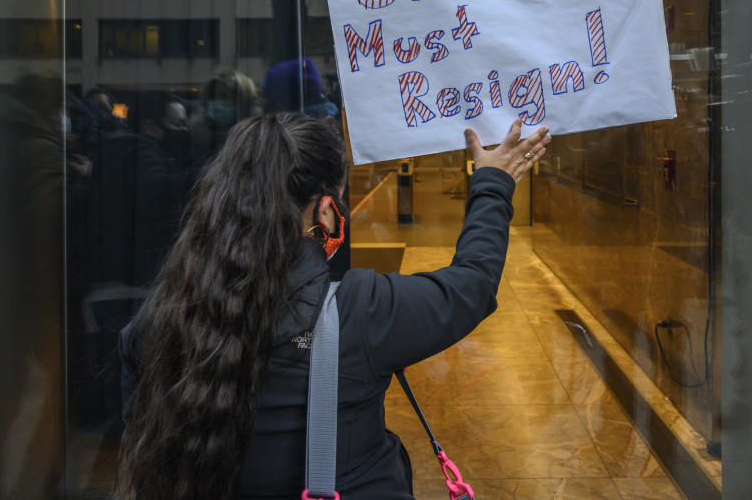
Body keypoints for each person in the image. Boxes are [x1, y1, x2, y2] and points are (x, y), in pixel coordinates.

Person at [118, 113, 550, 500]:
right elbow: (470, 286)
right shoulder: (357, 311)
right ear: (325, 211)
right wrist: (494, 181)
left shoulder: (157, 320)